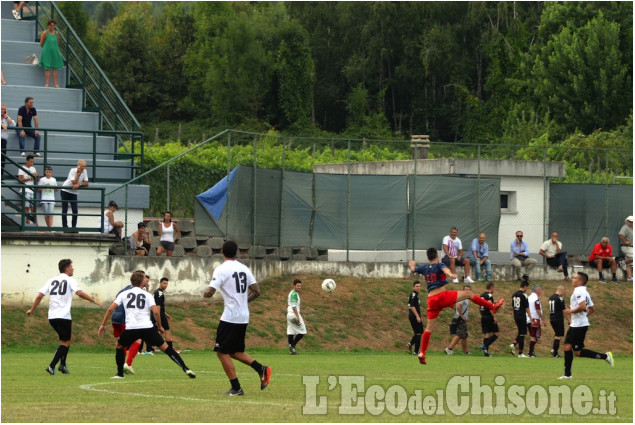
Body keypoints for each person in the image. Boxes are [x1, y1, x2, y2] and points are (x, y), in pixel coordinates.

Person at [408, 247, 504, 365]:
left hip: (431, 300)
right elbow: (445, 270)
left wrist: (412, 264)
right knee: (468, 294)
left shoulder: (424, 268)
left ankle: (422, 353)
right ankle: (492, 307)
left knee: (428, 329)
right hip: (441, 296)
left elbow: (413, 269)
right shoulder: (439, 265)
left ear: (428, 257)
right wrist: (451, 274)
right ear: (437, 256)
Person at [203, 240, 271, 396]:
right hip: (243, 315)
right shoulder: (244, 268)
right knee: (234, 351)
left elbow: (210, 291)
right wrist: (243, 302)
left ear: (222, 251)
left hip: (230, 316)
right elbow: (256, 291)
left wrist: (205, 293)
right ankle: (262, 369)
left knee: (221, 351)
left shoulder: (221, 269)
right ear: (236, 252)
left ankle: (236, 388)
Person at [98, 270, 195, 379]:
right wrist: (159, 326)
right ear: (141, 282)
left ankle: (120, 374)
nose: (146, 281)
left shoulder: (124, 294)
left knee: (119, 345)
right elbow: (156, 311)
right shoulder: (147, 295)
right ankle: (186, 368)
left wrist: (103, 324)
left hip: (131, 328)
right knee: (166, 348)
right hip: (147, 328)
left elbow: (111, 309)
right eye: (144, 279)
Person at [26, 258, 102, 375]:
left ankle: (63, 365)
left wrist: (32, 309)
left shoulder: (51, 280)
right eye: (71, 266)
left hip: (52, 316)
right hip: (63, 316)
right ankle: (52, 366)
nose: (73, 268)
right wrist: (93, 300)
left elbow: (40, 296)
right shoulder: (70, 280)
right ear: (66, 268)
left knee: (69, 337)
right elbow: (80, 293)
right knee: (65, 342)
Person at [559, 272, 614, 379]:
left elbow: (583, 307)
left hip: (579, 326)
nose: (572, 279)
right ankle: (567, 375)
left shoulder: (579, 290)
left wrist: (570, 312)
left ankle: (605, 356)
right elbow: (592, 309)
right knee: (567, 347)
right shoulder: (585, 291)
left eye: (574, 278)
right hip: (576, 324)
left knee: (578, 352)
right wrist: (583, 317)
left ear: (580, 281)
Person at [110, 271, 151, 375]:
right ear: (141, 279)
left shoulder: (126, 288)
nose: (147, 280)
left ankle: (121, 365)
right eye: (145, 278)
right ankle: (127, 364)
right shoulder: (136, 291)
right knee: (138, 339)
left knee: (121, 342)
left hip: (115, 318)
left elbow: (115, 299)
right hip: (124, 318)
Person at [60, 160, 88, 231]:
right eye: (82, 166)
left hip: (74, 192)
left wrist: (79, 185)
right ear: (78, 165)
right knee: (64, 210)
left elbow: (86, 183)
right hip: (65, 190)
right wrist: (78, 174)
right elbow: (74, 182)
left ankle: (73, 228)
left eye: (84, 166)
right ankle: (65, 227)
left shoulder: (85, 171)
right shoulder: (72, 170)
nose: (83, 168)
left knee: (75, 211)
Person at [151, 277, 177, 351]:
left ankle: (149, 348)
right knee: (167, 330)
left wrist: (166, 314)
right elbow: (158, 308)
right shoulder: (160, 293)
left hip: (155, 314)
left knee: (153, 332)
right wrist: (158, 319)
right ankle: (170, 348)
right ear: (160, 283)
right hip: (159, 315)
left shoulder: (156, 292)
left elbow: (158, 306)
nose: (166, 285)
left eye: (167, 284)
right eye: (164, 283)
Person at [445, 284, 471, 355]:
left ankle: (466, 351)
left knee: (464, 335)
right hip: (460, 318)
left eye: (468, 290)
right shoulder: (463, 298)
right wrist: (462, 316)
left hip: (462, 318)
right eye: (465, 290)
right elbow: (458, 306)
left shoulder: (466, 298)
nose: (467, 291)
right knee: (459, 334)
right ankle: (449, 348)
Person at [39, 20, 64, 88]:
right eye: (51, 25)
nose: (52, 27)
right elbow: (41, 44)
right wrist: (46, 49)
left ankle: (55, 83)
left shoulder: (56, 33)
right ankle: (47, 83)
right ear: (48, 25)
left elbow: (57, 42)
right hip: (47, 52)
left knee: (55, 67)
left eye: (53, 25)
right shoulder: (45, 33)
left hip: (55, 52)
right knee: (47, 67)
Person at [509, 280, 531, 358]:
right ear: (525, 286)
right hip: (522, 315)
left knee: (521, 331)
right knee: (522, 334)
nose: (527, 289)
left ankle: (514, 344)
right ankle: (520, 353)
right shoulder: (524, 295)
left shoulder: (514, 295)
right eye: (527, 287)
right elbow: (527, 307)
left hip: (516, 315)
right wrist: (530, 317)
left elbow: (513, 307)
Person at [287, 278, 307, 355]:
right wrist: (297, 316)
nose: (299, 287)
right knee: (303, 331)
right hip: (293, 314)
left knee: (291, 331)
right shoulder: (294, 294)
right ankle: (292, 346)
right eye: (298, 286)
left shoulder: (292, 293)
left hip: (289, 314)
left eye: (300, 286)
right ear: (294, 285)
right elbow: (294, 306)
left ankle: (292, 350)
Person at [479, 282, 500, 357]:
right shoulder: (489, 295)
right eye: (493, 287)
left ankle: (486, 353)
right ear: (491, 287)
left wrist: (482, 314)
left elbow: (480, 306)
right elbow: (490, 306)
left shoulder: (482, 295)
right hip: (489, 316)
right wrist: (494, 316)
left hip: (483, 316)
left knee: (487, 334)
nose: (494, 289)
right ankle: (485, 345)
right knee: (496, 333)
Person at [17, 154, 39, 225]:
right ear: (27, 161)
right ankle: (28, 224)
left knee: (33, 207)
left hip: (32, 190)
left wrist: (37, 176)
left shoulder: (33, 168)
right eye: (30, 161)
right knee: (26, 207)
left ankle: (34, 224)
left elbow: (37, 179)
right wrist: (30, 178)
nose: (31, 163)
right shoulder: (22, 168)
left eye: (33, 161)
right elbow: (20, 180)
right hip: (25, 189)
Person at [548, 285, 568, 358]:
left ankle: (553, 349)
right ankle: (555, 353)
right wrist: (569, 320)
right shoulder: (560, 298)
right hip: (558, 319)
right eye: (564, 291)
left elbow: (558, 306)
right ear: (561, 290)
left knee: (557, 334)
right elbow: (564, 310)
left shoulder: (551, 297)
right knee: (558, 336)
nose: (563, 293)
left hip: (552, 318)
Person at [527, 285, 544, 357]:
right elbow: (538, 310)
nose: (540, 292)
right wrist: (543, 319)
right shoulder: (536, 298)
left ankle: (531, 351)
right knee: (535, 336)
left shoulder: (528, 297)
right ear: (536, 291)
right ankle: (530, 353)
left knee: (533, 336)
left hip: (529, 318)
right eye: (540, 290)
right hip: (535, 319)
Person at [407, 280, 423, 355]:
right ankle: (416, 351)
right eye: (417, 286)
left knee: (417, 333)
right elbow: (412, 306)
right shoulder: (414, 295)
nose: (418, 288)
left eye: (419, 286)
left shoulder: (414, 294)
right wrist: (417, 316)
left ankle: (412, 345)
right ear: (413, 287)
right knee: (419, 333)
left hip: (412, 315)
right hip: (414, 315)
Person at [1, 104, 15, 174]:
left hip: (3, 140)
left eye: (4, 109)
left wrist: (6, 117)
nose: (3, 111)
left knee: (2, 159)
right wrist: (1, 124)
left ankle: (1, 176)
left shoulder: (7, 117)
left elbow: (14, 125)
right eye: (1, 109)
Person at [618, 216, 633, 282]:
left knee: (630, 263)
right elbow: (621, 235)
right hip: (626, 247)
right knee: (633, 258)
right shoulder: (625, 227)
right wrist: (625, 241)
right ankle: (622, 262)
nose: (631, 222)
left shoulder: (632, 228)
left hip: (631, 247)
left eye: (632, 221)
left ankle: (629, 278)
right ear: (627, 221)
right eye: (630, 221)